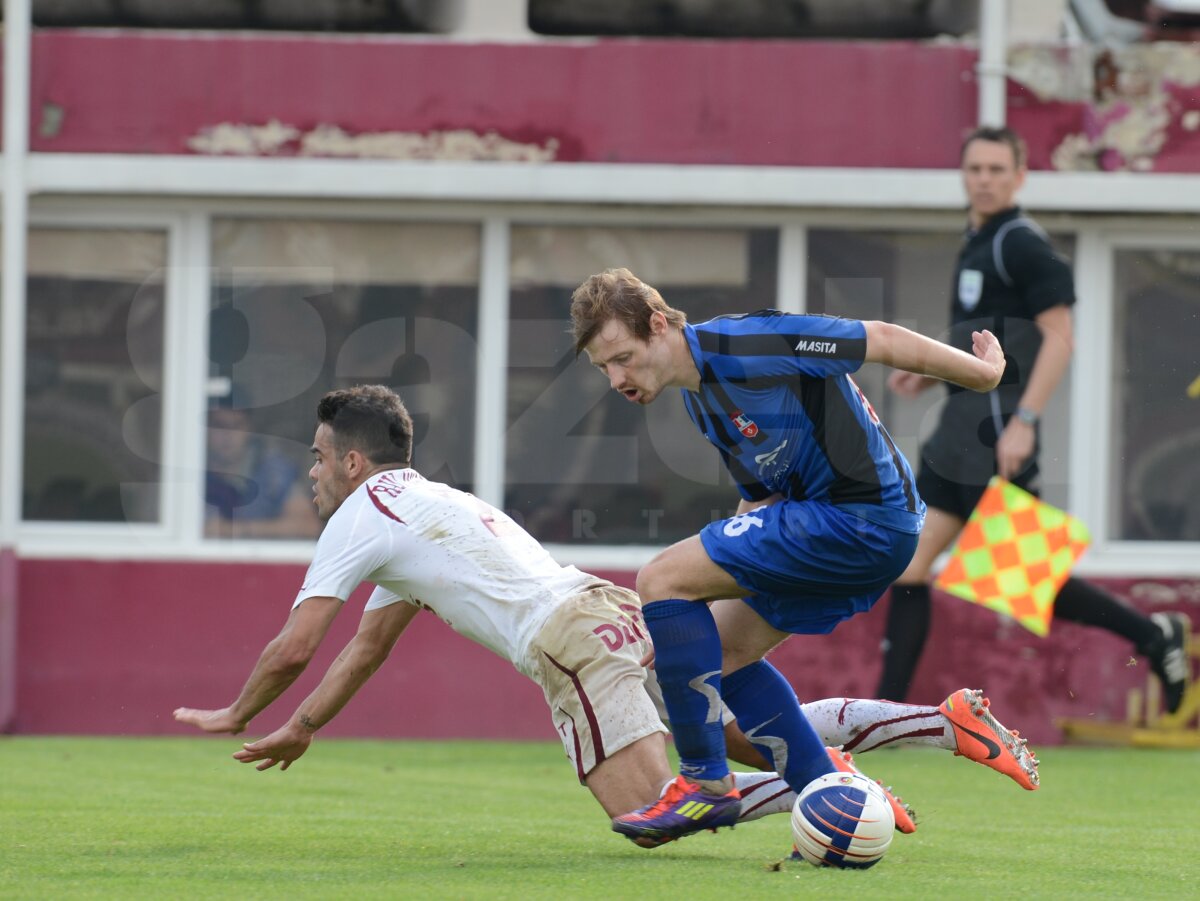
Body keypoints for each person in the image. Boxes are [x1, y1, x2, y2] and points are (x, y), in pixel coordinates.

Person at [172, 385, 1034, 847]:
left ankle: (838, 789)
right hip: (609, 608)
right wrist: (306, 728)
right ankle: (939, 723)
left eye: (319, 458)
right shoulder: (427, 506)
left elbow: (296, 644)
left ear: (354, 459)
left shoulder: (362, 514)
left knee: (664, 814)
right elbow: (368, 644)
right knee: (739, 733)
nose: (314, 474)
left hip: (571, 643)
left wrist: (239, 713)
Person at [569, 267, 1017, 846]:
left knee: (658, 578)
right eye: (603, 367)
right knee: (720, 659)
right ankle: (835, 803)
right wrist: (686, 628)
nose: (615, 379)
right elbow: (760, 498)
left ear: (658, 325)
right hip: (837, 527)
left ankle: (705, 786)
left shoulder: (745, 342)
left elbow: (877, 338)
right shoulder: (700, 401)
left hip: (862, 518)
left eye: (622, 357)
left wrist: (982, 377)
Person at [874, 125, 1191, 713]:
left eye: (998, 169)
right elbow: (991, 339)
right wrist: (934, 369)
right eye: (976, 169)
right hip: (958, 433)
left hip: (994, 435)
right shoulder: (978, 240)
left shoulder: (1017, 242)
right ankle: (882, 718)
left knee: (1018, 576)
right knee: (909, 565)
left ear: (1020, 176)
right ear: (963, 176)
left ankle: (1153, 635)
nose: (986, 179)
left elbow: (1059, 337)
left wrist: (1024, 420)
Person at [205, 396, 322, 539]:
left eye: (237, 425)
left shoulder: (274, 471)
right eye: (219, 426)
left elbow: (308, 526)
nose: (228, 435)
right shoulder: (193, 468)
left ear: (249, 429)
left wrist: (235, 530)